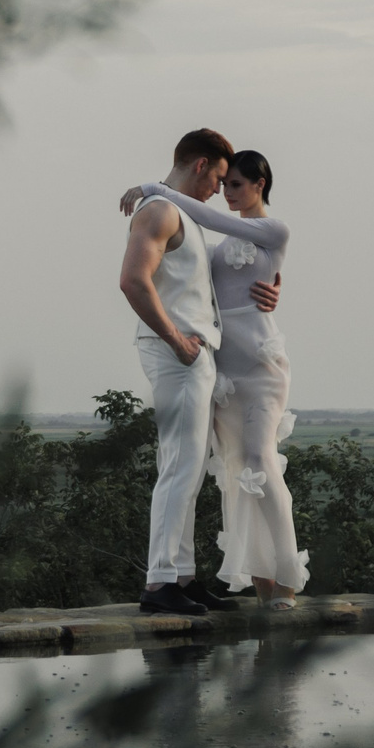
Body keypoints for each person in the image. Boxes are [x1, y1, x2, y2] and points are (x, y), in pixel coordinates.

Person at [124, 148, 304, 608]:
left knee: (262, 462)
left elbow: (220, 224)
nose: (226, 193)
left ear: (260, 184)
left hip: (260, 365)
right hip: (221, 370)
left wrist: (154, 189)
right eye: (223, 184)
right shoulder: (213, 248)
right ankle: (252, 578)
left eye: (236, 184)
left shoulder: (272, 229)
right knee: (230, 473)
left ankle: (287, 577)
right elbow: (194, 280)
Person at [117, 128, 235, 617]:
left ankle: (181, 577)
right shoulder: (161, 212)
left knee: (189, 468)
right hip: (178, 354)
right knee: (179, 467)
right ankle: (159, 583)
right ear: (202, 164)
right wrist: (177, 341)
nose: (219, 193)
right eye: (219, 179)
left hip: (195, 354)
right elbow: (132, 281)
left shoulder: (180, 212)